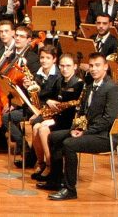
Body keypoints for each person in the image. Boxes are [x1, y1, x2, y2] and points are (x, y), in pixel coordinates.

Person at [40, 53, 118, 201]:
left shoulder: (112, 88)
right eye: (91, 66)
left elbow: (108, 118)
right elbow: (82, 112)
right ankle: (55, 180)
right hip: (88, 131)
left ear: (105, 67)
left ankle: (70, 189)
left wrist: (85, 132)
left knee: (68, 144)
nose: (94, 69)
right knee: (53, 136)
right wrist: (76, 128)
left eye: (97, 65)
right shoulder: (90, 86)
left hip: (104, 136)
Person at [30, 52, 83, 180]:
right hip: (57, 117)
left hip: (68, 121)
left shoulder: (78, 84)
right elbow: (48, 95)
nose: (64, 69)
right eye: (62, 66)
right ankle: (41, 164)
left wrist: (52, 120)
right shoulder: (60, 81)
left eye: (68, 66)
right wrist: (48, 101)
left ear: (75, 67)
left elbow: (72, 109)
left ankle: (50, 166)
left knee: (42, 128)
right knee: (36, 126)